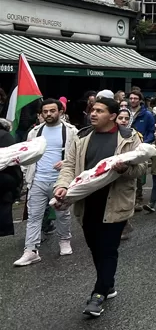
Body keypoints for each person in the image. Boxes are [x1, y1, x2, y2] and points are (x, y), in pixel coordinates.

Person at [53, 98, 146, 317]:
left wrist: (125, 170)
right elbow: (69, 165)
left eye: (99, 111)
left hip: (115, 202)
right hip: (87, 202)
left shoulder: (128, 137)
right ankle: (108, 283)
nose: (92, 114)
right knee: (94, 246)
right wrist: (62, 186)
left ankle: (98, 294)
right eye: (92, 110)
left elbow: (141, 168)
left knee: (107, 248)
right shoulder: (81, 136)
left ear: (112, 116)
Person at [13, 99, 74, 267]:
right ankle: (30, 250)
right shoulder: (35, 132)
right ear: (41, 113)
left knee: (62, 213)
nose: (48, 114)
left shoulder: (71, 131)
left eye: (52, 111)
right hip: (37, 180)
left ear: (60, 112)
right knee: (34, 217)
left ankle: (64, 240)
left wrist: (67, 162)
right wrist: (28, 175)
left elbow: (77, 155)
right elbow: (26, 155)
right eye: (45, 111)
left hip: (60, 180)